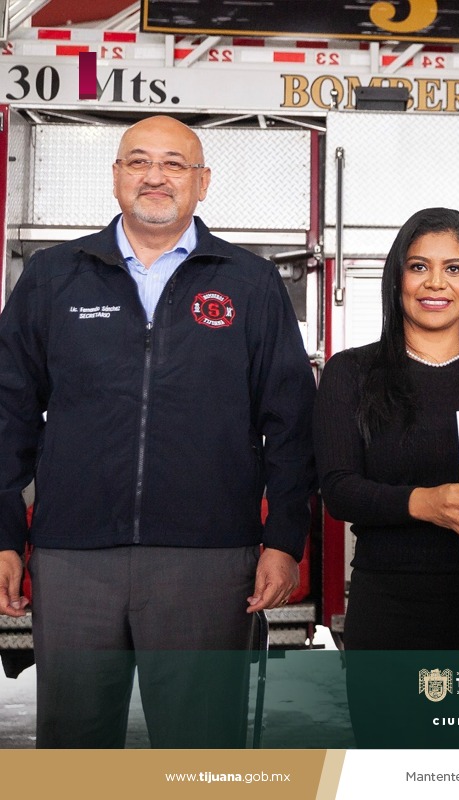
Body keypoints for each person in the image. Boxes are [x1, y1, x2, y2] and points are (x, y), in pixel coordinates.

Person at [0, 115, 316, 748]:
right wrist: (5, 535)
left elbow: (290, 422)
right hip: (73, 556)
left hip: (208, 558)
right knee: (74, 752)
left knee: (200, 749)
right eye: (138, 160)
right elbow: (7, 415)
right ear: (116, 176)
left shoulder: (250, 284)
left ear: (202, 183)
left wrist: (284, 538)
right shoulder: (53, 278)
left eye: (174, 163)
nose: (154, 175)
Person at [314, 207, 459, 651]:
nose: (435, 283)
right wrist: (425, 503)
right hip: (388, 601)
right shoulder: (351, 372)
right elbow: (339, 489)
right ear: (396, 278)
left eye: (454, 269)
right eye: (418, 267)